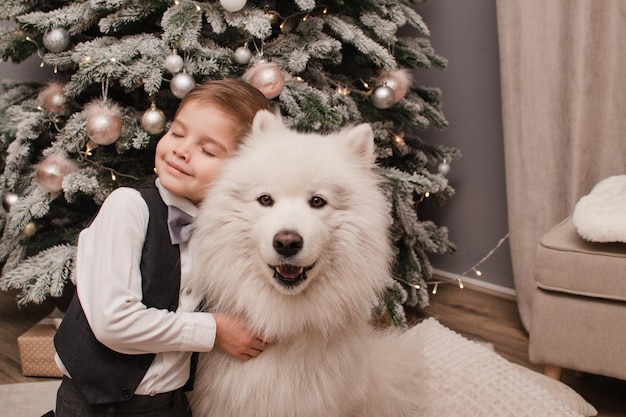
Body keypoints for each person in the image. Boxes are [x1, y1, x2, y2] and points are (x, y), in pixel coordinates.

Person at [53, 79, 273, 417]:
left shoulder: (226, 230)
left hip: (170, 402)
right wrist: (214, 330)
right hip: (99, 403)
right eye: (177, 133)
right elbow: (114, 322)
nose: (182, 150)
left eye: (208, 150)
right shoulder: (128, 207)